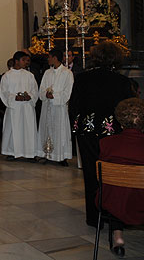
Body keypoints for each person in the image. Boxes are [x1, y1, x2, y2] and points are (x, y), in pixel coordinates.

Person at [70, 41, 134, 227]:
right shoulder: (122, 81)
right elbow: (126, 109)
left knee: (91, 173)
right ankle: (112, 214)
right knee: (112, 174)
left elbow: (73, 106)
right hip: (112, 133)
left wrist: (77, 126)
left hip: (87, 131)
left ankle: (94, 217)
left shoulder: (82, 78)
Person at [97, 98, 144, 257]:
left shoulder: (106, 143)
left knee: (119, 190)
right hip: (140, 204)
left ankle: (118, 238)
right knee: (131, 192)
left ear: (120, 119)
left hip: (111, 202)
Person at [36, 50, 74, 166]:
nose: (48, 59)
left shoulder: (67, 73)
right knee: (47, 129)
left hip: (59, 108)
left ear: (55, 58)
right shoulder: (48, 72)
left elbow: (68, 92)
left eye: (50, 57)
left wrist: (55, 96)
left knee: (60, 130)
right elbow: (42, 88)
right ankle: (47, 154)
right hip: (47, 106)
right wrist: (45, 94)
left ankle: (61, 156)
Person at [0, 51, 39, 160]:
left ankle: (30, 153)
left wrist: (29, 96)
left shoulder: (29, 75)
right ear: (16, 61)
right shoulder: (7, 76)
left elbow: (35, 90)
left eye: (27, 60)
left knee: (28, 129)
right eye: (24, 60)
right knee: (14, 129)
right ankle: (12, 152)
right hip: (14, 108)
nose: (26, 62)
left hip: (27, 107)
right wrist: (14, 97)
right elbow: (4, 92)